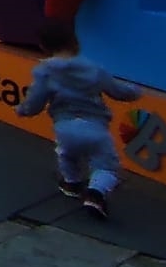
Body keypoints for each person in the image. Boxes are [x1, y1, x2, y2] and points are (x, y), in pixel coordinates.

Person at [16, 22, 143, 219]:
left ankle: (71, 183)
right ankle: (95, 193)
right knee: (106, 166)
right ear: (76, 43)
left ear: (44, 47)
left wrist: (23, 110)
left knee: (66, 154)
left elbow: (35, 101)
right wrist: (136, 92)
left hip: (64, 127)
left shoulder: (44, 73)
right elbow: (119, 92)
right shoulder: (95, 70)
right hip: (96, 128)